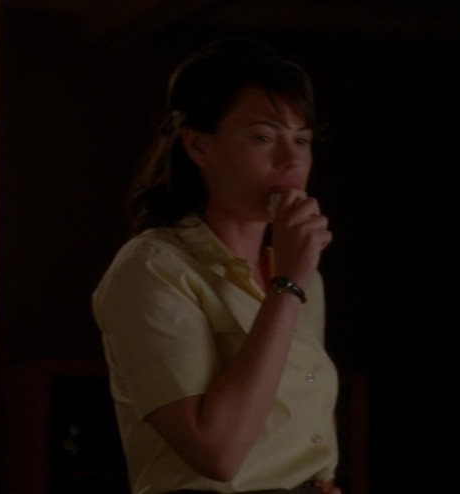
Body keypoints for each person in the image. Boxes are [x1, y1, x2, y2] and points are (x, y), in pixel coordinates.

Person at [91, 37, 342, 494]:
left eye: (302, 140)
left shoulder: (300, 271)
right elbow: (216, 453)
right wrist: (287, 286)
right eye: (263, 137)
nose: (291, 160)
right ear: (199, 146)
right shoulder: (153, 268)